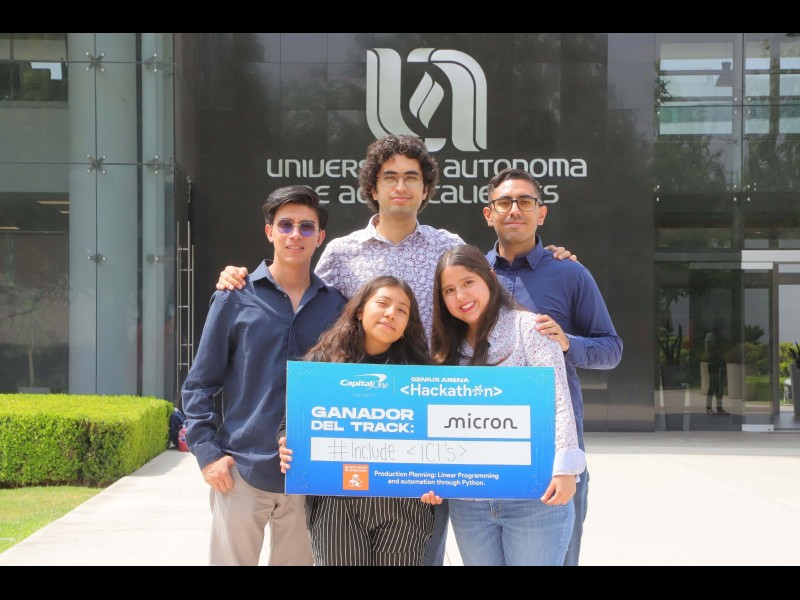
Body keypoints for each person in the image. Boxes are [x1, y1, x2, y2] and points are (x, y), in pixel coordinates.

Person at [215, 135, 576, 566]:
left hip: (429, 433)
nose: (400, 186)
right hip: (355, 434)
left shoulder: (447, 245)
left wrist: (548, 256)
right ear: (373, 187)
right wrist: (242, 276)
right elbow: (303, 293)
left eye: (411, 177)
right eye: (390, 177)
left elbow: (481, 282)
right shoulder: (341, 253)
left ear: (426, 189)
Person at [181, 185, 347, 566]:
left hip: (308, 475)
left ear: (320, 237)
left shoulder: (337, 307)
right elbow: (200, 383)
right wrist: (208, 455)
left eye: (306, 227)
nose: (295, 234)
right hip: (241, 471)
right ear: (269, 231)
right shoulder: (234, 297)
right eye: (285, 225)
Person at [421, 244, 585, 566]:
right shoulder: (444, 350)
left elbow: (558, 400)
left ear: (490, 279)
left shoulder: (530, 328)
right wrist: (430, 477)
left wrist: (566, 469)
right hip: (469, 503)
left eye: (468, 282)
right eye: (449, 290)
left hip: (535, 497)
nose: (460, 296)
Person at [278, 275, 435, 566]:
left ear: (407, 324)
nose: (392, 313)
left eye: (402, 310)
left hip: (403, 508)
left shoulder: (422, 374)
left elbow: (438, 440)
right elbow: (292, 422)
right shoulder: (322, 363)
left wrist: (439, 480)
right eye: (383, 303)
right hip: (336, 505)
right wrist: (287, 443)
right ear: (360, 310)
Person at [705, 318, 728, 415]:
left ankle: (719, 407)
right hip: (713, 362)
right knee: (713, 385)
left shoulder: (721, 338)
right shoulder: (710, 336)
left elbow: (725, 349)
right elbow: (711, 349)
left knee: (720, 387)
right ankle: (709, 407)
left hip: (721, 362)